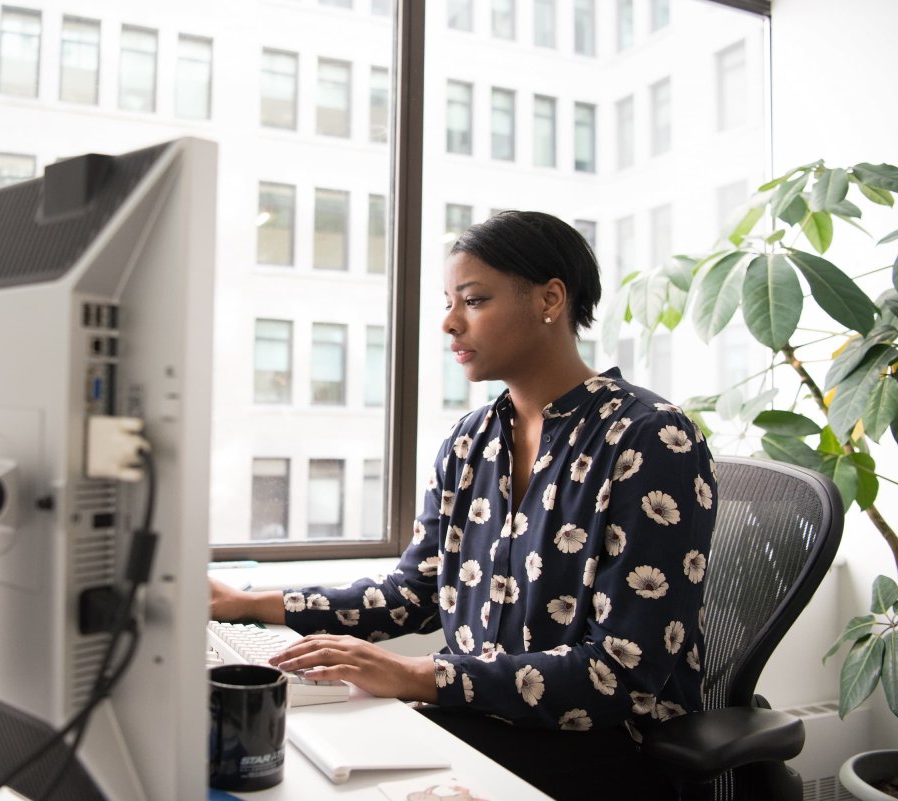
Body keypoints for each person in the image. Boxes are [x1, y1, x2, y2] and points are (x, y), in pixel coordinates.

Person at [210, 210, 716, 801]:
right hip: (481, 724)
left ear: (550, 299)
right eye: (449, 302)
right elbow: (414, 593)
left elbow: (620, 674)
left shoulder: (651, 438)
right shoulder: (472, 439)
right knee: (275, 757)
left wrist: (416, 676)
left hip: (609, 749)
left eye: (473, 301)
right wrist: (248, 605)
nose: (450, 323)